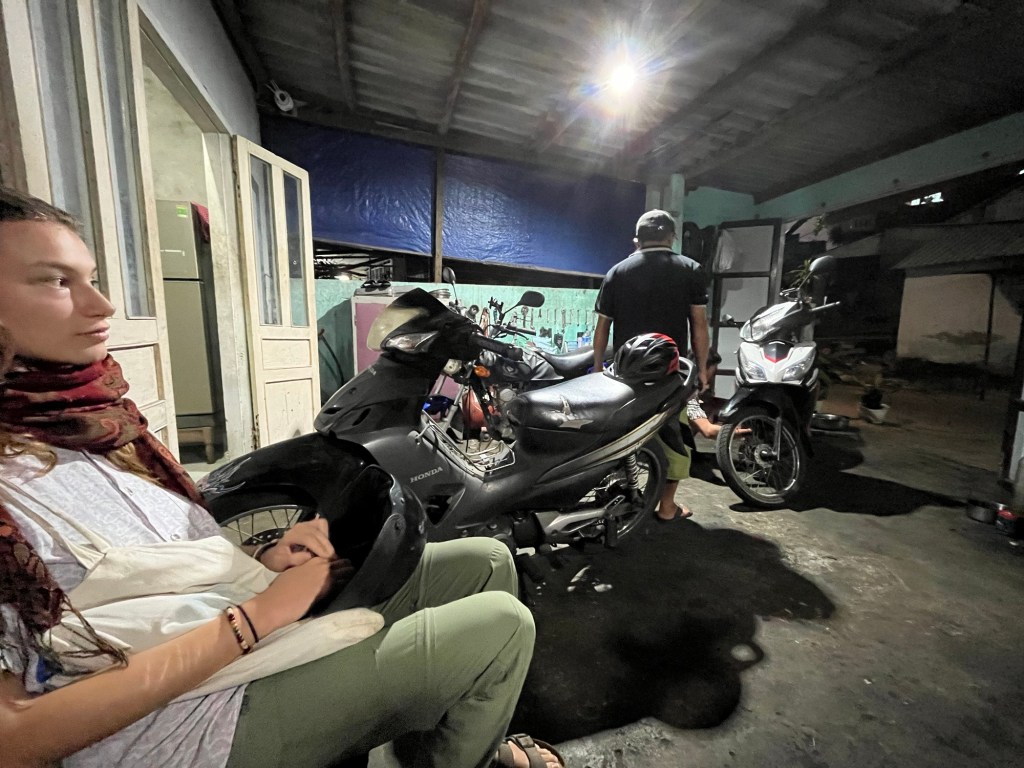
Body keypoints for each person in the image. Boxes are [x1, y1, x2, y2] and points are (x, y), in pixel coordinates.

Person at [0, 187, 563, 768]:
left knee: (485, 560)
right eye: (55, 281)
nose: (102, 305)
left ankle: (447, 736)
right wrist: (255, 618)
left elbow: (151, 582)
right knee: (501, 626)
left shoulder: (91, 424)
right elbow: (14, 738)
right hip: (182, 728)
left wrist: (261, 565)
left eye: (91, 278)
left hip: (230, 633)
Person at [592, 210, 710, 522]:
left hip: (625, 375)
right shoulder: (690, 269)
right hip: (671, 373)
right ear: (672, 236)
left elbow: (602, 328)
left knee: (622, 432)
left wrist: (597, 369)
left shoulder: (617, 272)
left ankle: (618, 495)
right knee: (675, 435)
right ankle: (667, 506)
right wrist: (702, 368)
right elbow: (699, 325)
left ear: (637, 240)